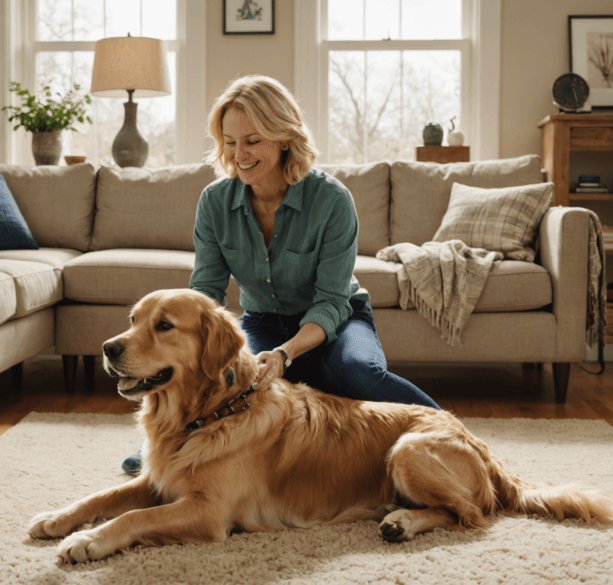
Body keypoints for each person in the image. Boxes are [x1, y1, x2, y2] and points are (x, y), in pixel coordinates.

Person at [121, 75, 439, 475]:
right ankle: (166, 447)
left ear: (284, 137)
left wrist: (287, 353)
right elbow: (205, 291)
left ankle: (450, 433)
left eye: (252, 141)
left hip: (339, 320)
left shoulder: (332, 200)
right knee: (231, 377)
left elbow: (331, 301)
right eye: (230, 142)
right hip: (263, 322)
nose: (239, 154)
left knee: (355, 372)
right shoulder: (215, 202)